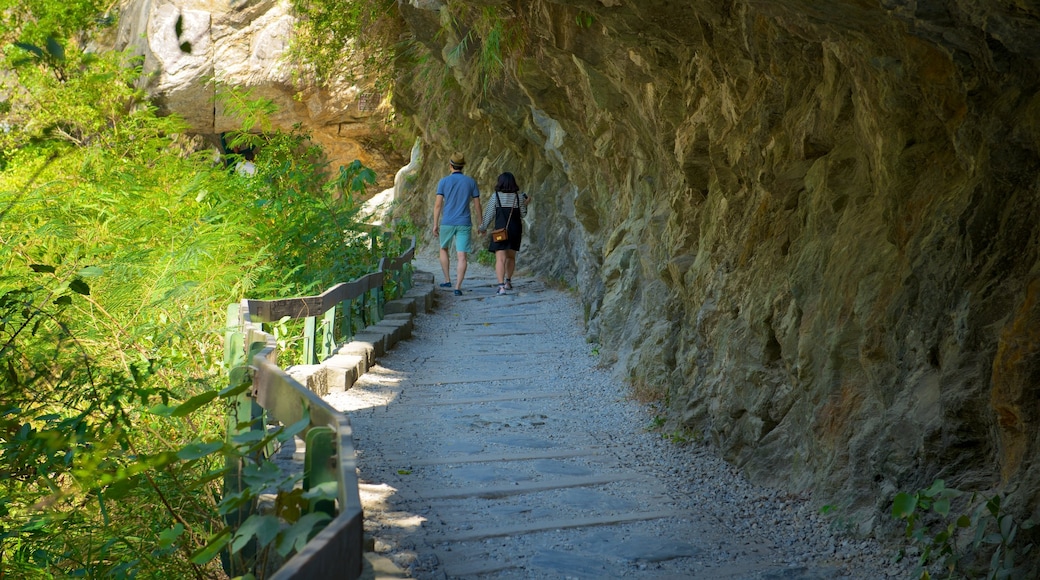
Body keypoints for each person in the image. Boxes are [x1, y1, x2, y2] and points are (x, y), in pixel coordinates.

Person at [433, 152, 482, 296]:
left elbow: (437, 205)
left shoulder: (443, 182)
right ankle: (458, 287)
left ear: (450, 166)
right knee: (462, 256)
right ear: (463, 166)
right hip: (464, 222)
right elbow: (478, 205)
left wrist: (435, 224)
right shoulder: (471, 182)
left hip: (447, 222)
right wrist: (481, 223)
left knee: (443, 249)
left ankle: (447, 279)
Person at [479, 172, 529, 294]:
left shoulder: (495, 197)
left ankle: (501, 287)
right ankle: (508, 282)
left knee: (500, 259)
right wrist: (525, 203)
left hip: (500, 232)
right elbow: (523, 214)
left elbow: (489, 215)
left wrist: (482, 228)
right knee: (511, 257)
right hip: (515, 231)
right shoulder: (519, 197)